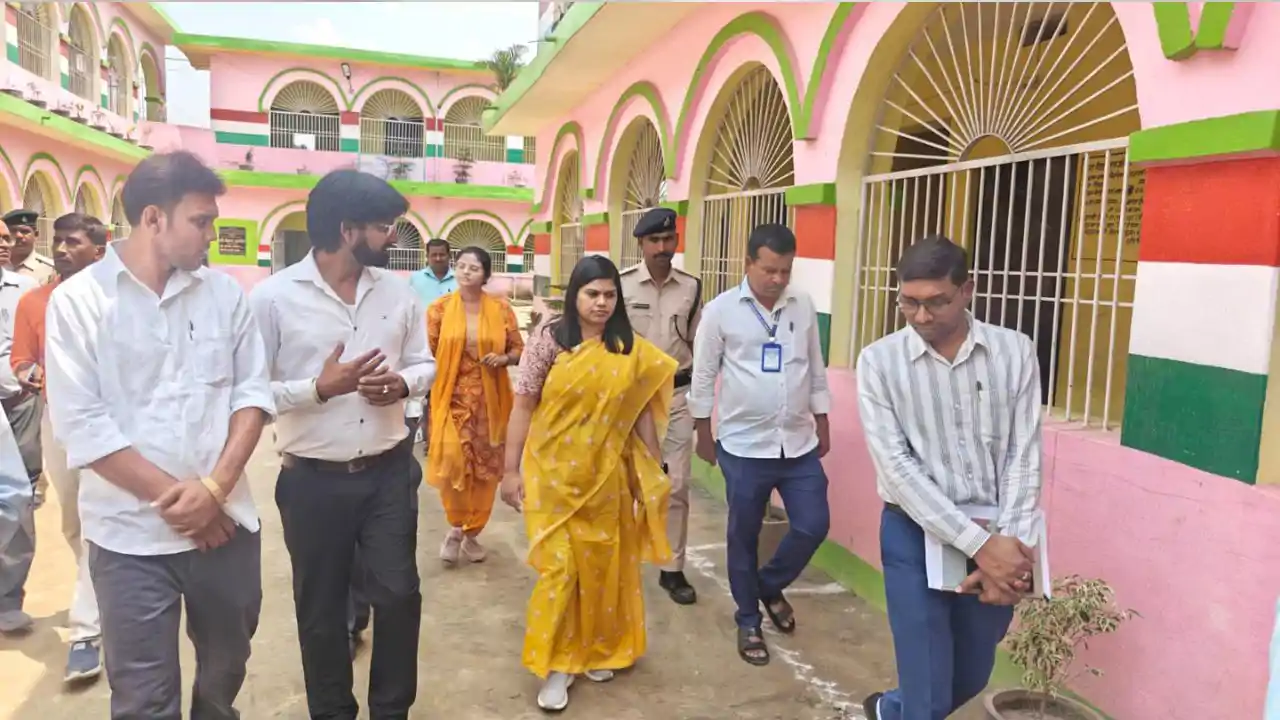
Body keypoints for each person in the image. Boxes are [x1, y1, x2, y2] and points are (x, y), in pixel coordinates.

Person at [43, 150, 274, 719]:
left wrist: (215, 491)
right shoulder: (79, 302)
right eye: (201, 221)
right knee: (144, 698)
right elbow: (82, 424)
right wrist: (185, 503)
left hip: (225, 530)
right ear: (153, 218)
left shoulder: (223, 295)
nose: (211, 235)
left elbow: (251, 394)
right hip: (129, 541)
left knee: (225, 673)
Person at [249, 168, 436, 720]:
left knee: (399, 595)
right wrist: (318, 388)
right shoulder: (273, 299)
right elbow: (250, 392)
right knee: (322, 611)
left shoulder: (398, 294)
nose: (393, 237)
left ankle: (391, 712)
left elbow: (424, 362)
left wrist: (402, 384)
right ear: (346, 229)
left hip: (388, 472)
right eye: (384, 226)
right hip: (312, 481)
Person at [856, 235, 1041, 720]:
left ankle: (888, 710)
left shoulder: (1014, 352)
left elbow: (1023, 455)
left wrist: (1009, 552)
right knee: (928, 695)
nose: (921, 316)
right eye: (908, 302)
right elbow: (896, 468)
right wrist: (980, 546)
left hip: (997, 530)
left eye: (936, 302)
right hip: (912, 532)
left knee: (971, 675)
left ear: (967, 290)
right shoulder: (879, 362)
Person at [500, 255, 676, 712]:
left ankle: (596, 649)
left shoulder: (627, 346)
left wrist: (653, 466)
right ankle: (558, 665)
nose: (601, 302)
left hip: (605, 478)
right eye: (592, 293)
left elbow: (640, 411)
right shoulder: (550, 340)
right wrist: (510, 470)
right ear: (574, 295)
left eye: (609, 295)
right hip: (551, 475)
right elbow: (523, 405)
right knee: (560, 571)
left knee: (600, 569)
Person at [689, 223, 831, 667]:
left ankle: (767, 585)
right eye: (769, 269)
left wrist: (823, 419)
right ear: (748, 262)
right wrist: (702, 432)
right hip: (743, 445)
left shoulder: (802, 304)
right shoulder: (720, 311)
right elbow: (703, 374)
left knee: (813, 524)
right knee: (743, 534)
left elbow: (815, 366)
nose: (778, 279)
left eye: (786, 270)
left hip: (797, 442)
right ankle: (748, 618)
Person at [9, 212, 108, 681]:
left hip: (111, 425)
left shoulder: (117, 300)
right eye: (59, 241)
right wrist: (35, 375)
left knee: (96, 520)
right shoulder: (34, 302)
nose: (62, 249)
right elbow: (21, 360)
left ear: (99, 250)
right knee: (72, 523)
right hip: (58, 421)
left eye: (74, 242)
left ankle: (87, 632)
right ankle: (105, 588)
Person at [619, 207, 702, 605]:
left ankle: (672, 568)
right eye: (654, 240)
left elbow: (699, 345)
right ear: (641, 243)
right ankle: (620, 558)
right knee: (622, 481)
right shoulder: (621, 286)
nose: (662, 247)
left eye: (668, 239)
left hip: (677, 396)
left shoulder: (692, 288)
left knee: (676, 484)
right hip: (630, 398)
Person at [426, 246, 523, 566]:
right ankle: (455, 527)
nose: (466, 272)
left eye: (474, 268)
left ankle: (472, 533)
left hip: (490, 404)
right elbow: (426, 353)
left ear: (485, 275)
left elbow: (519, 350)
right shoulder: (439, 309)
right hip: (451, 399)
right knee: (453, 463)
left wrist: (504, 358)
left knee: (486, 470)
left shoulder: (501, 309)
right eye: (462, 265)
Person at [0, 217, 39, 636]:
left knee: (19, 496)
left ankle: (8, 598)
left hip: (20, 403)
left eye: (7, 239)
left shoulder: (25, 289)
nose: (5, 245)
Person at [1, 209, 56, 286]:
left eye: (24, 231)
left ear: (36, 235)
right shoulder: (2, 265)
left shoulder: (50, 269)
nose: (18, 235)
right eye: (13, 231)